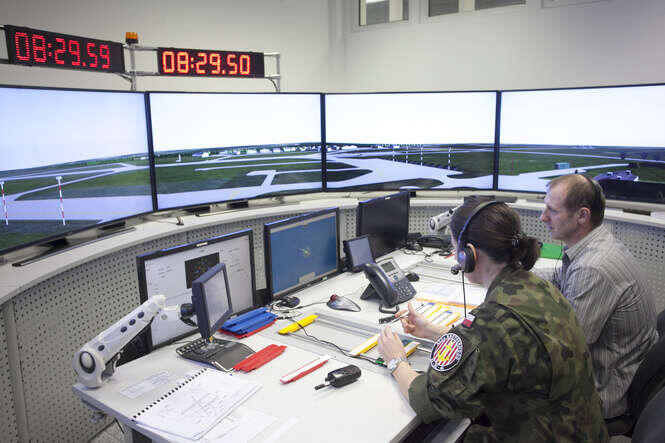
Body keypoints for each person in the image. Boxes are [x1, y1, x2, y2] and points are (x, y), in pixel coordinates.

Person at [377, 198, 608, 442]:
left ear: (469, 254)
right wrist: (431, 331)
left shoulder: (493, 320)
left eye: (456, 250)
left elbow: (433, 401)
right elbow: (501, 346)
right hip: (580, 431)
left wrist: (396, 360)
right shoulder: (535, 285)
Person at [539, 173, 658, 420]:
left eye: (552, 210)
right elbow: (560, 278)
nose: (543, 217)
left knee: (510, 382)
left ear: (582, 216)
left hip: (606, 392)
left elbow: (565, 349)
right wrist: (514, 274)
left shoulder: (593, 268)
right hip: (619, 367)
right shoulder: (595, 244)